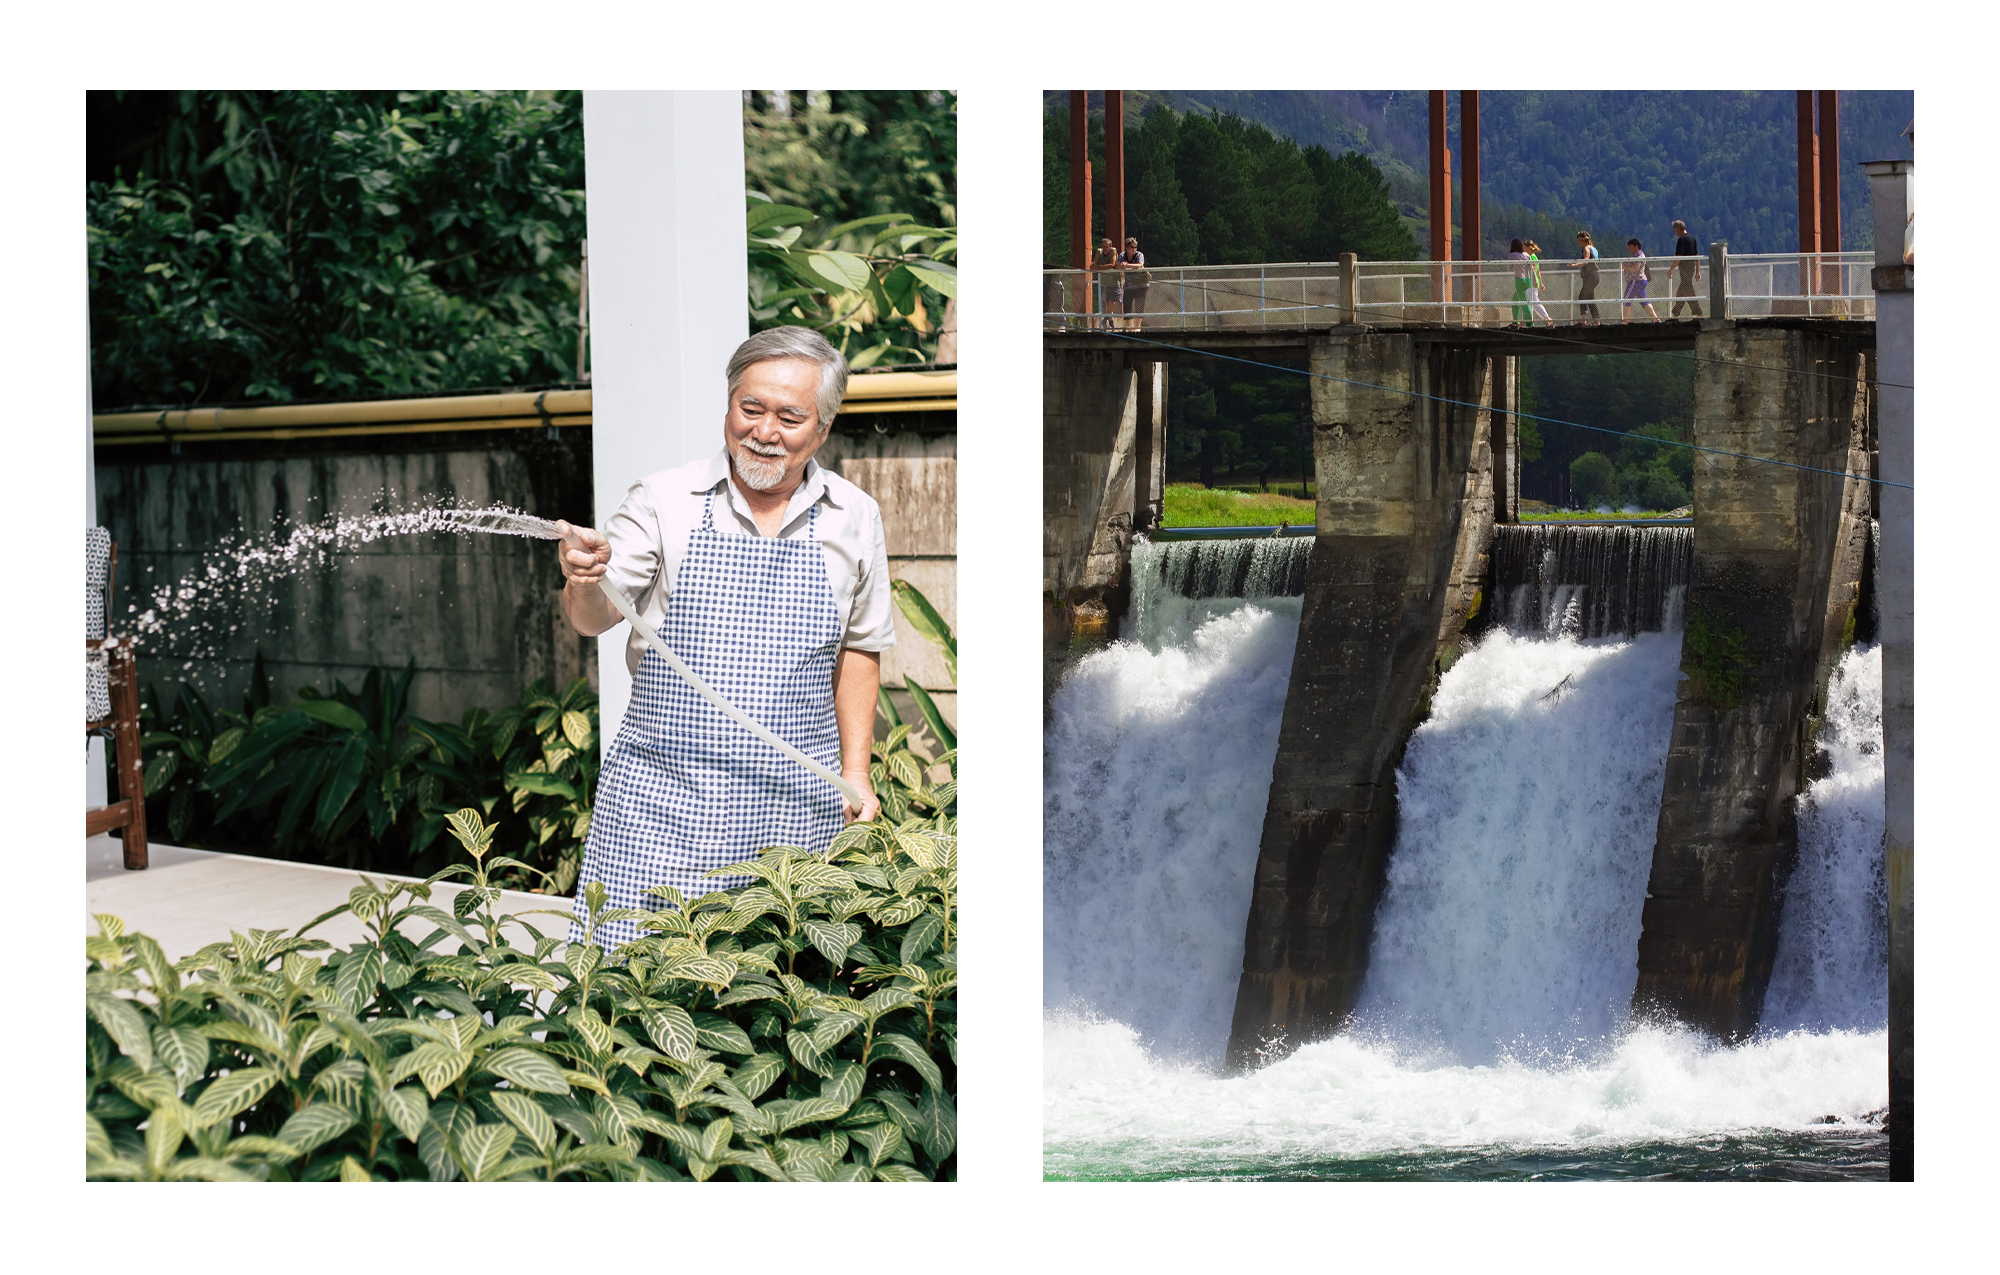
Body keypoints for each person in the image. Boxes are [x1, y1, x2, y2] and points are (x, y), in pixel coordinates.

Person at [552, 326, 894, 949]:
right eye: (750, 409)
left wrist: (857, 773)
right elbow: (593, 618)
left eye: (789, 417)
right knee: (627, 994)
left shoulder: (854, 515)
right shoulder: (664, 500)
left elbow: (859, 650)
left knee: (765, 1006)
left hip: (795, 807)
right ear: (729, 405)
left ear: (822, 429)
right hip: (663, 807)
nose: (763, 432)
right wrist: (583, 579)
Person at [1670, 219, 1703, 318]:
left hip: (1684, 266)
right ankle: (1677, 311)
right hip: (1691, 265)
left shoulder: (1681, 240)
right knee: (1684, 287)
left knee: (1687, 287)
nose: (1675, 233)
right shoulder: (1692, 239)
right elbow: (1697, 256)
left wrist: (1671, 269)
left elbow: (1679, 256)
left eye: (1675, 230)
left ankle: (1697, 311)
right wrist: (1697, 271)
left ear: (1679, 229)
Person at [1622, 237, 1660, 322]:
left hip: (1636, 280)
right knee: (1644, 302)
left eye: (1631, 247)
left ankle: (1625, 321)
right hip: (1639, 281)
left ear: (1636, 246)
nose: (1630, 249)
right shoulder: (1634, 256)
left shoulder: (1639, 256)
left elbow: (1636, 268)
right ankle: (1655, 319)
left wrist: (1624, 267)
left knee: (1626, 299)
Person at [1117, 236, 1148, 330]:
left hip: (1141, 284)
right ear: (1127, 248)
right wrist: (1121, 265)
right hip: (1128, 286)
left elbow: (1140, 265)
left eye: (1135, 247)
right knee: (1127, 307)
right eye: (1132, 247)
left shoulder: (1139, 255)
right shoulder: (1122, 255)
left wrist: (1127, 265)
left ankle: (1137, 328)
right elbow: (1117, 265)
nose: (1134, 249)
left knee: (1139, 307)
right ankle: (1128, 327)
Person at [1574, 230, 1602, 325]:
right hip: (1593, 276)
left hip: (1590, 277)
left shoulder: (1586, 248)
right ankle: (1596, 319)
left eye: (1579, 240)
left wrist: (1576, 265)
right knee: (1590, 298)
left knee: (1582, 296)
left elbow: (1586, 261)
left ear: (1583, 240)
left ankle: (1583, 319)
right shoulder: (1593, 248)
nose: (1579, 243)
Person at [1093, 236, 1121, 329]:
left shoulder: (1113, 251)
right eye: (1103, 246)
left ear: (1110, 246)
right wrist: (1099, 267)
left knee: (1112, 302)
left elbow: (1112, 265)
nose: (1105, 248)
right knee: (1106, 303)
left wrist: (1100, 267)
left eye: (1107, 246)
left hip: (1114, 281)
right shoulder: (1099, 252)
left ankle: (1105, 318)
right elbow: (1093, 266)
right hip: (1104, 282)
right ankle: (1110, 321)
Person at [1525, 239, 1553, 325]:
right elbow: (1538, 272)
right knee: (1530, 303)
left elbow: (1532, 270)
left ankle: (1547, 318)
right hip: (1532, 282)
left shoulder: (1531, 257)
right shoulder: (1534, 257)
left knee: (1534, 302)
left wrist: (1536, 282)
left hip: (1531, 282)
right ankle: (1528, 322)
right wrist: (1540, 283)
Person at [1507, 237, 1533, 325]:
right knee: (1515, 300)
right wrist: (1535, 281)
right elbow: (1531, 269)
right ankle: (1515, 321)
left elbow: (1509, 268)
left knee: (1523, 302)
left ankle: (1529, 323)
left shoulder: (1512, 255)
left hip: (1519, 280)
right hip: (1527, 280)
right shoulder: (1527, 255)